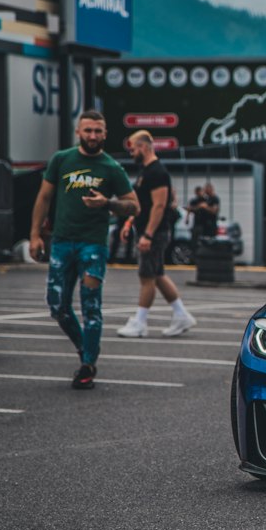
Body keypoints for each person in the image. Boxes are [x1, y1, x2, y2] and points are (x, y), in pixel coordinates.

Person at [29, 108, 139, 389]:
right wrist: (35, 235)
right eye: (87, 130)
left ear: (105, 134)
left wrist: (108, 203)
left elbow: (133, 205)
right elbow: (43, 197)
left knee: (91, 306)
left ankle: (88, 364)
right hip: (62, 242)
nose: (92, 135)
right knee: (57, 306)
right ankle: (83, 349)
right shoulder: (61, 159)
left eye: (98, 131)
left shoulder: (111, 168)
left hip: (93, 245)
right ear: (78, 132)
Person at [116, 131, 197, 337]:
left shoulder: (157, 172)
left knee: (147, 277)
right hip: (148, 230)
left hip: (154, 233)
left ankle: (140, 322)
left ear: (144, 147)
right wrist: (130, 221)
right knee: (158, 275)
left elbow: (159, 206)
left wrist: (148, 235)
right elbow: (143, 204)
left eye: (133, 148)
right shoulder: (147, 171)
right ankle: (181, 315)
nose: (132, 152)